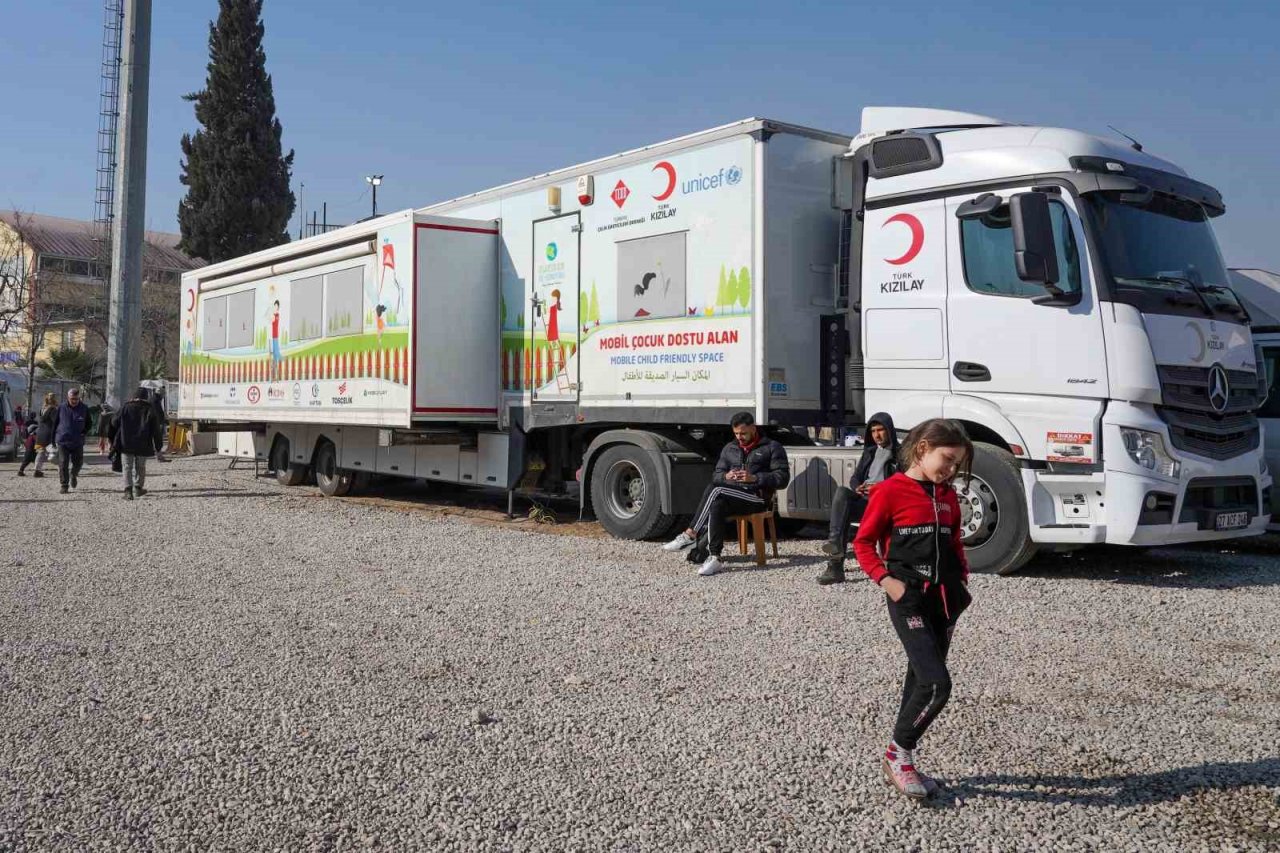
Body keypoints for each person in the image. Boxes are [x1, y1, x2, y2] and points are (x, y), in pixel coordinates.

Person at [854, 418, 973, 800]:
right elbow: (862, 543)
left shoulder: (947, 494)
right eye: (948, 460)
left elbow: (954, 542)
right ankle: (898, 754)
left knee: (919, 680)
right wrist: (887, 582)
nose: (952, 470)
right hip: (908, 600)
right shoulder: (890, 492)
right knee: (938, 685)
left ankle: (902, 758)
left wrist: (963, 582)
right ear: (922, 449)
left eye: (957, 465)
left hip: (945, 601)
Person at [662, 411, 790, 577]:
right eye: (736, 433)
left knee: (716, 489)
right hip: (732, 494)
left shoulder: (772, 447)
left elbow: (783, 478)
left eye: (743, 433)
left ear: (753, 428)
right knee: (717, 502)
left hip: (757, 498)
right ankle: (714, 557)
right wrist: (726, 476)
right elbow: (716, 475)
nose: (739, 437)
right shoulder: (730, 448)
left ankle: (690, 534)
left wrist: (754, 478)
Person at [817, 412, 900, 585]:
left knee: (845, 508)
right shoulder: (870, 452)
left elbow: (903, 482)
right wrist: (857, 487)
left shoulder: (900, 455)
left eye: (881, 430)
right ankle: (835, 559)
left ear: (889, 430)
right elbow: (855, 477)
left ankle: (835, 554)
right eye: (873, 431)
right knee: (842, 493)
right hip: (866, 502)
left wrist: (879, 488)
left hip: (886, 504)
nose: (877, 435)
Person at [109, 386, 163, 500]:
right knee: (141, 466)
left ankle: (128, 491)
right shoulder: (150, 409)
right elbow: (156, 430)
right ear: (145, 397)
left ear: (134, 396)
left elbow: (114, 422)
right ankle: (138, 488)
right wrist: (158, 446)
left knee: (127, 467)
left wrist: (113, 438)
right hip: (143, 444)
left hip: (126, 443)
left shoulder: (125, 407)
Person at [52, 387, 91, 494]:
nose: (74, 401)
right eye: (72, 399)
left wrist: (84, 432)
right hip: (63, 440)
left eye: (76, 399)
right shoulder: (61, 407)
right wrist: (52, 439)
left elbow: (89, 423)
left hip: (77, 441)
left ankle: (73, 474)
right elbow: (55, 423)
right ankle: (64, 485)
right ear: (68, 398)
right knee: (63, 462)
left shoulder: (84, 408)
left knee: (78, 462)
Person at [31, 392, 57, 478]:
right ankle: (62, 470)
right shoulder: (53, 410)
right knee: (55, 452)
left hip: (40, 432)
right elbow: (56, 422)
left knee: (41, 452)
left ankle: (37, 470)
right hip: (49, 434)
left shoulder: (42, 409)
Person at [16, 409, 37, 476]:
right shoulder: (35, 424)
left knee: (27, 461)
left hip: (29, 447)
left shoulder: (27, 422)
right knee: (30, 460)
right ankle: (36, 471)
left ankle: (21, 471)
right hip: (31, 450)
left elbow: (24, 430)